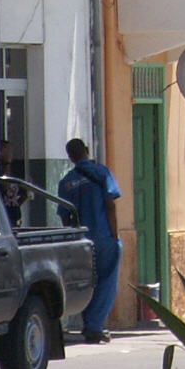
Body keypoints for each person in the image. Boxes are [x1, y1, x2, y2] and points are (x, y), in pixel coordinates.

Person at [57, 138, 122, 344]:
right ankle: (94, 327)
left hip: (80, 240)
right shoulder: (102, 173)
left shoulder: (66, 182)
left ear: (70, 157)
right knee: (106, 282)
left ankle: (89, 323)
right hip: (103, 237)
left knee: (85, 282)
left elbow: (65, 216)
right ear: (86, 150)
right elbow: (110, 205)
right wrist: (114, 234)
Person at [0, 138, 25, 228]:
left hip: (15, 215)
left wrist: (25, 193)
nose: (10, 153)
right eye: (7, 150)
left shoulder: (14, 171)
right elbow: (5, 186)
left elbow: (17, 199)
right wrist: (7, 163)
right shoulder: (0, 170)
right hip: (4, 216)